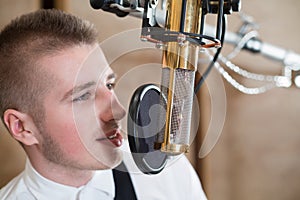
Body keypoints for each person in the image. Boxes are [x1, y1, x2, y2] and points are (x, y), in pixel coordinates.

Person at [0, 9, 207, 199]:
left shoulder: (169, 174)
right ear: (22, 127)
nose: (118, 111)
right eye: (83, 96)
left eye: (109, 84)